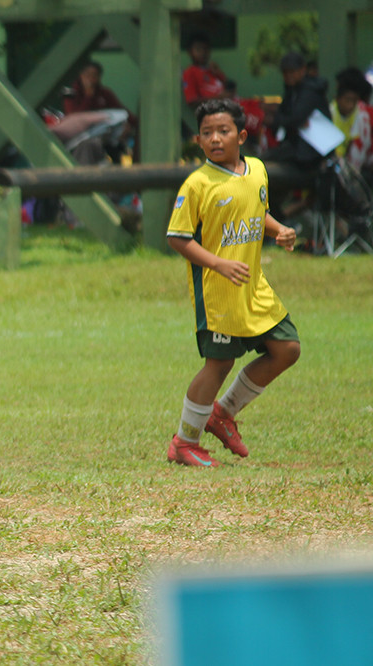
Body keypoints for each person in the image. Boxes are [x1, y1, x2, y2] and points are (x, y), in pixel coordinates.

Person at [165, 97, 301, 467]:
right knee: (219, 363)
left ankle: (222, 414)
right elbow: (177, 237)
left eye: (223, 131)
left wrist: (278, 230)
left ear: (241, 135)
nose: (215, 139)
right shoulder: (197, 184)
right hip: (219, 292)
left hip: (253, 287)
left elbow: (257, 211)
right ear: (198, 141)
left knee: (287, 349)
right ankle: (184, 442)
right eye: (207, 133)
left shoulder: (256, 170)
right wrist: (218, 264)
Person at [61, 60, 135, 165]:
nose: (91, 79)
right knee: (89, 147)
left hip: (105, 136)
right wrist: (88, 95)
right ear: (81, 75)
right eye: (88, 75)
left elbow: (123, 112)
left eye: (94, 75)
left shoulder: (105, 93)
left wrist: (128, 125)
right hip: (79, 138)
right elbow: (73, 116)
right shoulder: (72, 93)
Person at [330, 67, 373, 172]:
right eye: (347, 100)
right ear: (338, 98)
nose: (350, 106)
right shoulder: (330, 111)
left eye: (354, 101)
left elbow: (359, 151)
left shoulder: (363, 116)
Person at [182, 34, 229, 109]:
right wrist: (219, 98)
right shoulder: (190, 72)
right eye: (198, 49)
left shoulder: (212, 70)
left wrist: (218, 73)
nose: (203, 53)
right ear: (190, 52)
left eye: (206, 49)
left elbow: (230, 89)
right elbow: (192, 101)